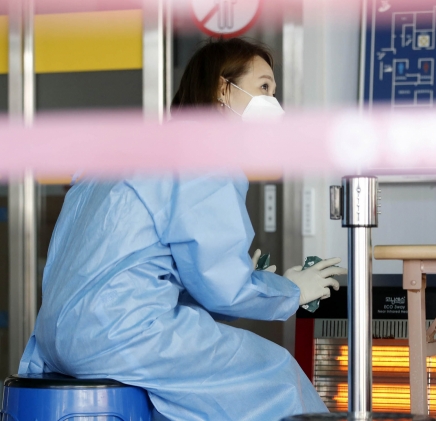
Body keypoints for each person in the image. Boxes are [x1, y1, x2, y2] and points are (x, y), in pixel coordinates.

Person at [19, 38, 347, 420]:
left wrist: (242, 279)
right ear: (223, 89)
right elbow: (224, 288)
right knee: (276, 375)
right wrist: (291, 290)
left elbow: (126, 270)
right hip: (121, 335)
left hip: (54, 340)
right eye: (264, 88)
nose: (274, 103)